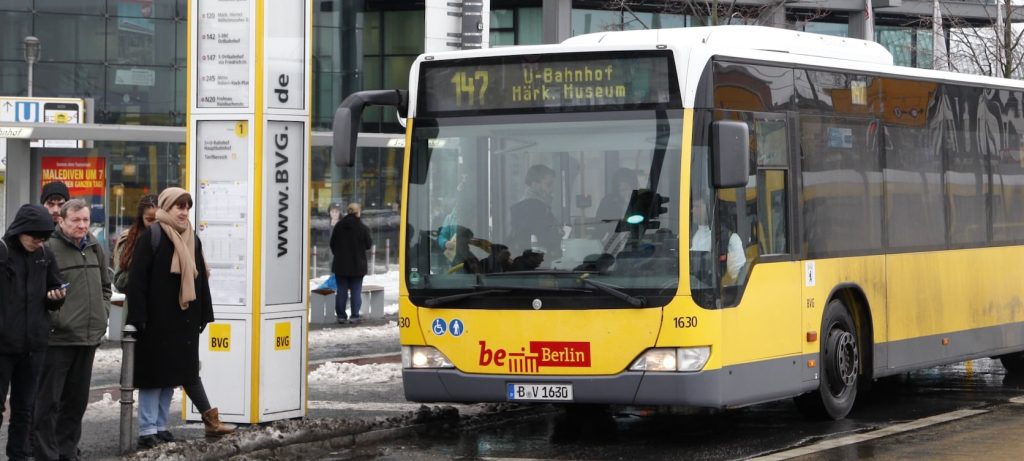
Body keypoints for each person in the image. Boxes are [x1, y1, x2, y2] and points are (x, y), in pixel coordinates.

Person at [126, 188, 233, 449]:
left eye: (187, 207)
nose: (184, 212)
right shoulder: (152, 235)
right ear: (166, 207)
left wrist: (205, 314)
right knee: (153, 377)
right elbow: (137, 281)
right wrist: (139, 317)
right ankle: (147, 430)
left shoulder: (191, 237)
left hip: (183, 320)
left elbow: (200, 280)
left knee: (171, 377)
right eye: (179, 207)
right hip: (155, 320)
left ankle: (160, 426)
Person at [32, 199, 112, 461]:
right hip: (58, 339)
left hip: (87, 337)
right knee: (48, 402)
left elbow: (105, 286)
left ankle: (67, 452)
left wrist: (102, 312)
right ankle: (46, 454)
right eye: (76, 220)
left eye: (86, 220)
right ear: (62, 220)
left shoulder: (94, 246)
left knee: (76, 403)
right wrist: (57, 318)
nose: (82, 225)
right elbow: (37, 292)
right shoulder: (48, 248)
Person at [0, 204, 67, 461]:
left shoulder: (44, 254)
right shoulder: (3, 252)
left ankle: (19, 456)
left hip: (33, 345)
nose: (38, 242)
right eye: (35, 236)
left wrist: (56, 297)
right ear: (20, 230)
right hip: (3, 345)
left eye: (43, 238)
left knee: (25, 409)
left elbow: (54, 288)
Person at [507, 164, 562, 261]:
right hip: (538, 261)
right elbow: (544, 238)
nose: (552, 189)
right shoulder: (535, 207)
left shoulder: (522, 205)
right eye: (549, 184)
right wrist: (559, 233)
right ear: (535, 184)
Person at [330, 202, 372, 324]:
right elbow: (368, 245)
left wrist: (339, 255)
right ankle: (354, 316)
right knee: (356, 291)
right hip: (358, 265)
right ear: (358, 212)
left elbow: (332, 244)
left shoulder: (338, 226)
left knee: (341, 291)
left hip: (341, 265)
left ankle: (341, 316)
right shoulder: (362, 228)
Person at [690, 196, 746, 284]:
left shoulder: (731, 238)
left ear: (709, 209)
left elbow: (738, 276)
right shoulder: (691, 236)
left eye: (697, 206)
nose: (692, 210)